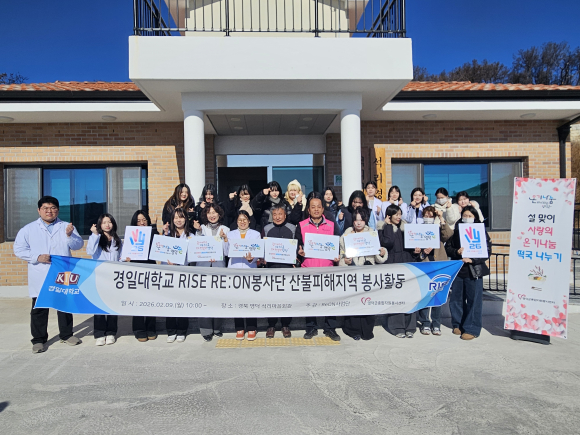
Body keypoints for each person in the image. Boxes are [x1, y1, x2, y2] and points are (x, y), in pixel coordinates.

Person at [13, 196, 84, 354]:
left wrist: (70, 235)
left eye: (52, 208)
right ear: (39, 210)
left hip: (61, 274)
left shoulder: (66, 226)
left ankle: (66, 335)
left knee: (64, 305)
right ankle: (39, 340)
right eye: (45, 208)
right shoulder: (28, 229)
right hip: (40, 273)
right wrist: (37, 257)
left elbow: (78, 245)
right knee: (39, 308)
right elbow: (18, 249)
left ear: (57, 210)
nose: (49, 211)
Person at [296, 193, 341, 341]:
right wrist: (299, 252)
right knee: (310, 300)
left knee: (330, 300)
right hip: (308, 269)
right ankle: (311, 328)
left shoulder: (332, 225)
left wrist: (337, 256)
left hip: (328, 269)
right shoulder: (301, 225)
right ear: (308, 210)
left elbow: (337, 246)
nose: (316, 209)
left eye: (318, 207)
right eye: (313, 207)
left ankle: (330, 328)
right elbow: (297, 246)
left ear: (323, 209)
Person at [339, 207, 388, 341]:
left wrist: (382, 253)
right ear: (352, 221)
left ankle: (367, 330)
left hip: (368, 274)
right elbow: (341, 256)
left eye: (361, 220)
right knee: (353, 303)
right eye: (356, 220)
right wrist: (344, 261)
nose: (359, 223)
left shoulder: (371, 234)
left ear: (365, 220)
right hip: (352, 274)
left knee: (368, 302)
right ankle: (353, 330)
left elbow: (378, 257)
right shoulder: (345, 237)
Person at [445, 205, 491, 340]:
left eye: (470, 216)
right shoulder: (457, 230)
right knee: (456, 299)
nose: (467, 218)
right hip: (459, 269)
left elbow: (487, 250)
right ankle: (458, 324)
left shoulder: (480, 231)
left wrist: (473, 259)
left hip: (474, 270)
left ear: (475, 217)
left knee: (474, 300)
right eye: (465, 216)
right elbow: (448, 248)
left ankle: (472, 328)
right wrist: (456, 252)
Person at [379, 204, 417, 338]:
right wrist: (388, 226)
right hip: (393, 266)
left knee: (409, 297)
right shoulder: (383, 228)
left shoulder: (406, 228)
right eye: (396, 214)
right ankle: (397, 327)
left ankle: (410, 327)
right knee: (396, 298)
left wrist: (416, 251)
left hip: (407, 266)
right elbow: (387, 243)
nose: (399, 217)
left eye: (400, 214)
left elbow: (412, 247)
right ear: (389, 216)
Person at [415, 206, 453, 336]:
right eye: (426, 216)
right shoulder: (418, 230)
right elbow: (414, 249)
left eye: (431, 216)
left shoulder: (438, 229)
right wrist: (420, 252)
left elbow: (448, 235)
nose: (428, 218)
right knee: (425, 295)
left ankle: (436, 324)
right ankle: (425, 322)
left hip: (439, 265)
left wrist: (441, 218)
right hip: (425, 265)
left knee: (437, 296)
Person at [194, 203, 229, 341]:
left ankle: (217, 327)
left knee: (218, 298)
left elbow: (227, 252)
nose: (212, 215)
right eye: (209, 212)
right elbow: (195, 247)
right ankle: (206, 330)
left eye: (214, 212)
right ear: (205, 215)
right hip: (203, 268)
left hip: (219, 267)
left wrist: (224, 238)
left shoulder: (225, 229)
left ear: (219, 214)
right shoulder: (201, 228)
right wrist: (198, 232)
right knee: (204, 299)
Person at [261, 203, 297, 339]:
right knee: (271, 299)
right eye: (274, 214)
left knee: (287, 298)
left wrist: (296, 259)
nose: (277, 217)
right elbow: (263, 248)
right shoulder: (267, 229)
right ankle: (271, 325)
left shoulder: (292, 228)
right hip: (271, 269)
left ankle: (285, 325)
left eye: (280, 214)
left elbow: (297, 246)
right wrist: (263, 258)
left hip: (287, 269)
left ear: (285, 215)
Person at [224, 210, 261, 340]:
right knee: (237, 300)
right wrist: (225, 240)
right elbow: (226, 252)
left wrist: (253, 259)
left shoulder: (256, 234)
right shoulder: (230, 234)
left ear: (249, 221)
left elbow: (258, 251)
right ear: (236, 222)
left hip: (249, 270)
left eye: (245, 219)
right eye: (240, 220)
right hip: (234, 270)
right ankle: (239, 327)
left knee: (250, 300)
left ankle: (252, 327)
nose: (242, 222)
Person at [87, 213, 123, 346]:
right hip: (100, 277)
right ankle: (99, 333)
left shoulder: (117, 240)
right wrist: (95, 234)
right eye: (104, 222)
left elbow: (121, 257)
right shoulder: (96, 238)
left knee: (112, 305)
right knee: (99, 306)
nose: (107, 225)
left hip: (113, 277)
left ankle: (111, 332)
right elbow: (90, 251)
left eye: (109, 222)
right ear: (99, 225)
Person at [125, 210, 159, 342]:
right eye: (138, 221)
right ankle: (139, 329)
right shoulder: (130, 235)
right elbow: (125, 252)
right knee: (138, 300)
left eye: (144, 220)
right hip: (136, 269)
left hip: (151, 269)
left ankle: (151, 327)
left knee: (151, 300)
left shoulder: (152, 232)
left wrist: (155, 227)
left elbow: (159, 246)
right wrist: (126, 259)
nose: (142, 223)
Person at [162, 208, 195, 344]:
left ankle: (181, 330)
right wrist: (164, 234)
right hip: (169, 273)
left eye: (181, 217)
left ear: (186, 219)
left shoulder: (191, 236)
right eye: (176, 217)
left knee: (182, 302)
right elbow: (162, 253)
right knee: (169, 302)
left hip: (183, 273)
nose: (178, 220)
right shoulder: (167, 235)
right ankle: (171, 331)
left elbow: (193, 255)